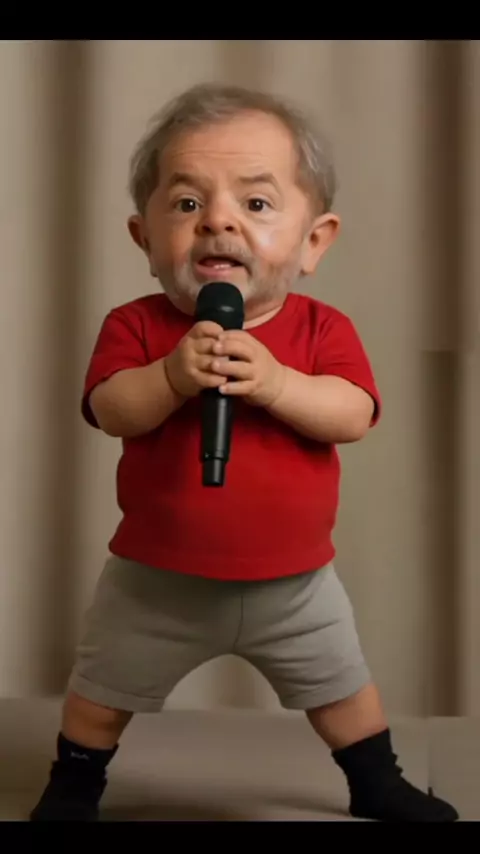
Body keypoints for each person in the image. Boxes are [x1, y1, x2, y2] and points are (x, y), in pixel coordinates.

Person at [30, 82, 458, 822]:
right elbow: (109, 407)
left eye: (256, 203)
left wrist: (278, 383)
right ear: (144, 238)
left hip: (295, 585)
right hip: (155, 580)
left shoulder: (322, 330)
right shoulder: (136, 326)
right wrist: (170, 376)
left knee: (343, 688)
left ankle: (376, 781)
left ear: (314, 240)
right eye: (186, 203)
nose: (217, 221)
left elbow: (353, 413)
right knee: (98, 695)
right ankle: (73, 785)